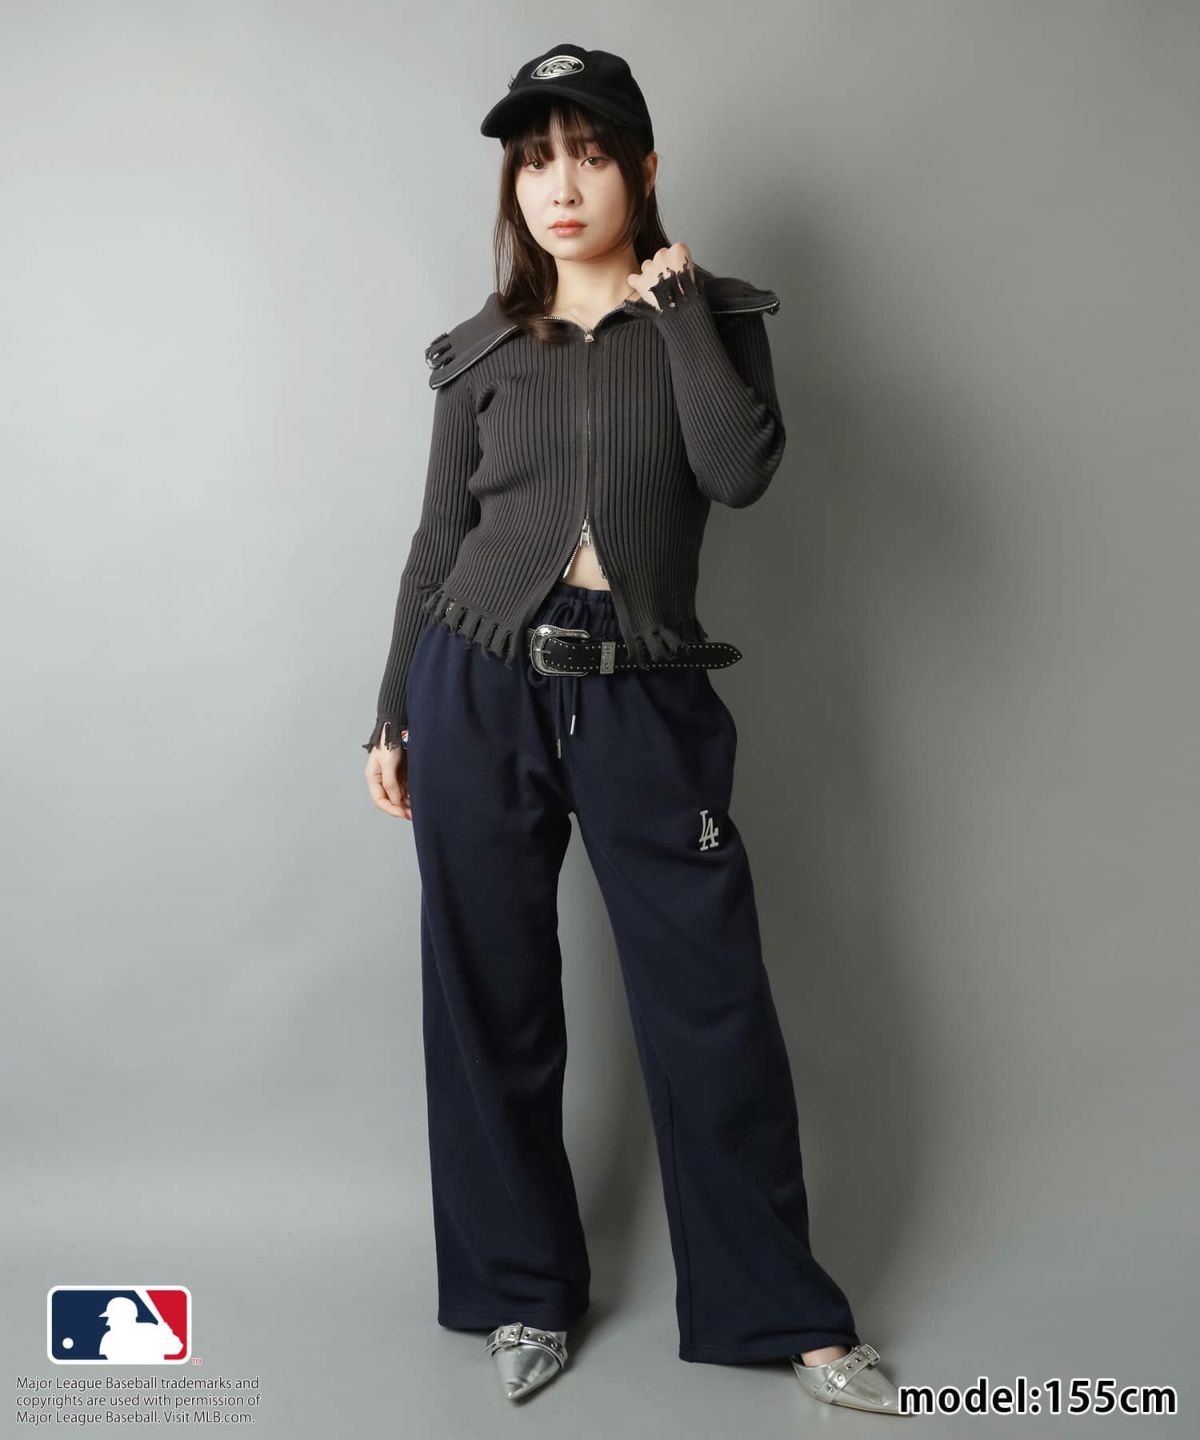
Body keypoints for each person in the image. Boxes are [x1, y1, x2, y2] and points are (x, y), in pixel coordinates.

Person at [362, 42, 904, 1416]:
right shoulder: (482, 354)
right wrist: (391, 712)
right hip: (476, 686)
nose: (561, 187)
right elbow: (436, 545)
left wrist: (675, 312)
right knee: (487, 998)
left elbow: (739, 469)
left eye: (590, 156)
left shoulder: (714, 319)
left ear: (643, 169)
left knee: (710, 1004)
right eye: (536, 161)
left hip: (644, 691)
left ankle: (780, 1310)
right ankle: (521, 1290)